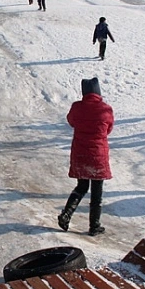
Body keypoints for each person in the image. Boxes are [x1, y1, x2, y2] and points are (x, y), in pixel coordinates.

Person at [58, 78, 114, 237]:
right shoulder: (106, 109)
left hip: (80, 153)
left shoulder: (77, 107)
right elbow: (109, 129)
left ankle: (66, 214)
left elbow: (71, 121)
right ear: (98, 92)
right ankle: (94, 226)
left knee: (81, 187)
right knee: (97, 192)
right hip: (98, 155)